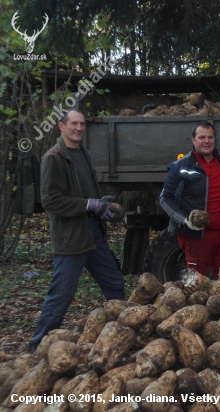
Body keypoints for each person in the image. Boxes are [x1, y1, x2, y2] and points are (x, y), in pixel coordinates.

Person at [30, 109, 125, 351]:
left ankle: (125, 333)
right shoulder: (54, 158)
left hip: (92, 231)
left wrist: (98, 203)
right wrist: (88, 204)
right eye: (74, 123)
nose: (79, 128)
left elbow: (83, 193)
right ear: (61, 126)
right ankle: (37, 347)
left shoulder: (83, 154)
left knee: (114, 282)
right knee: (61, 294)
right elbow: (50, 200)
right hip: (71, 237)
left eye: (82, 124)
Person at [160, 121, 220, 278]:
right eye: (202, 137)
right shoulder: (180, 167)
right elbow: (165, 198)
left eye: (210, 137)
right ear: (193, 140)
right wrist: (184, 221)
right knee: (197, 283)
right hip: (197, 237)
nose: (207, 141)